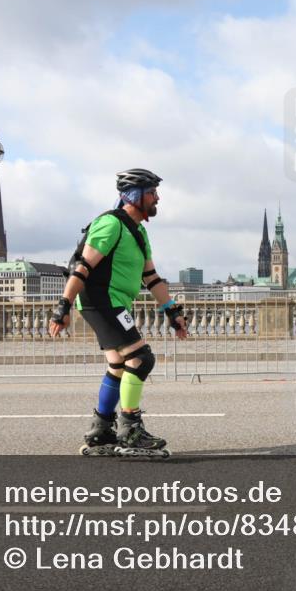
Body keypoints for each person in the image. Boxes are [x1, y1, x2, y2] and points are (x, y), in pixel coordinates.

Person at [49, 168, 188, 456]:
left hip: (113, 303)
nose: (157, 198)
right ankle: (130, 429)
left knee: (118, 365)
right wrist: (62, 307)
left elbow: (151, 278)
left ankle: (101, 429)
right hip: (101, 301)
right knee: (140, 358)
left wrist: (172, 312)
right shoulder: (110, 224)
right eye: (152, 193)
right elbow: (82, 267)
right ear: (135, 196)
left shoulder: (138, 231)